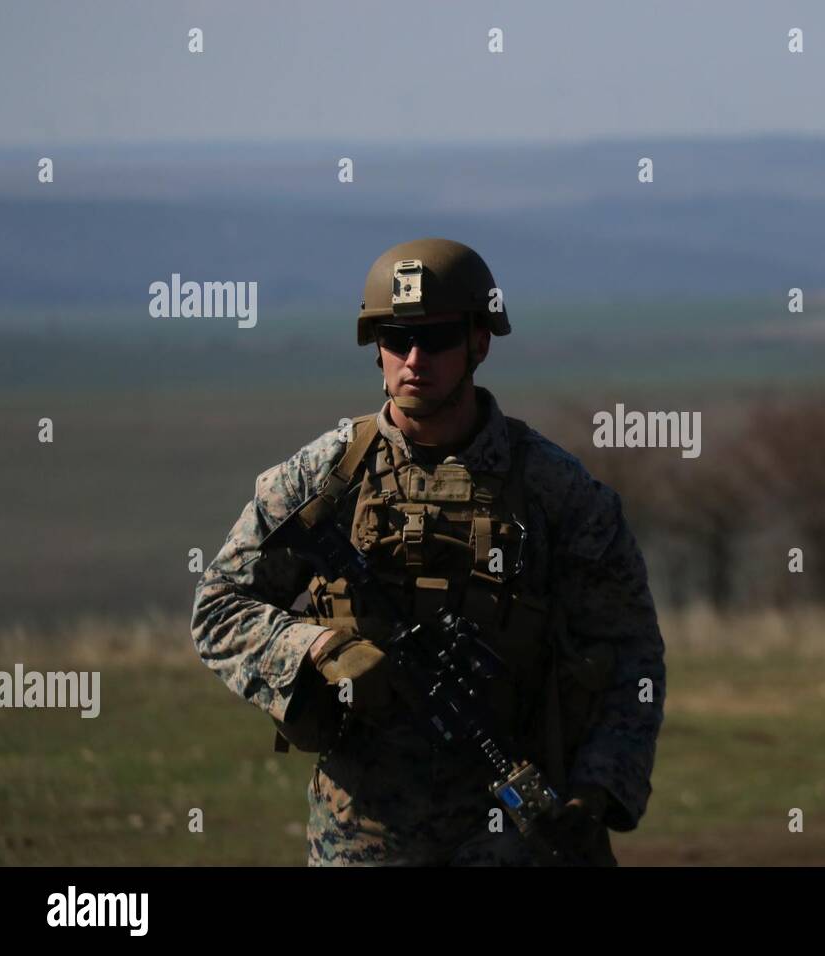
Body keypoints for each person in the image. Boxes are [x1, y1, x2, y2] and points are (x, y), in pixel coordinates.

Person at [190, 238, 666, 865]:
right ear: (375, 346)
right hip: (362, 832)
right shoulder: (325, 479)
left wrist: (596, 792)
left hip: (513, 834)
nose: (415, 359)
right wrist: (321, 649)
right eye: (395, 337)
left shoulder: (555, 491)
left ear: (479, 342)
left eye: (438, 338)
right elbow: (219, 608)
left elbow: (630, 651)